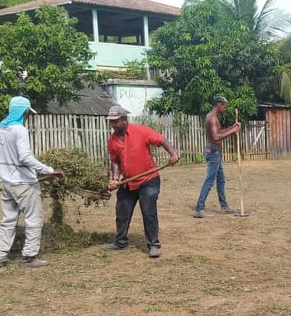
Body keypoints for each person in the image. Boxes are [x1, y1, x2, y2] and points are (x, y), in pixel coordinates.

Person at [0, 96, 63, 268]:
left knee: (8, 219)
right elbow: (25, 157)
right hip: (23, 183)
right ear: (24, 112)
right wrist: (50, 170)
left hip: (7, 182)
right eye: (28, 113)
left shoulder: (1, 127)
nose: (28, 116)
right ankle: (29, 257)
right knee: (34, 219)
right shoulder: (19, 129)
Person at [103, 105, 180, 257]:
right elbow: (115, 161)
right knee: (122, 212)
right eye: (111, 122)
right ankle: (121, 242)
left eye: (116, 121)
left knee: (148, 212)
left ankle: (154, 245)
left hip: (148, 180)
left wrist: (173, 153)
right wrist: (114, 178)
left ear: (124, 120)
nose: (113, 125)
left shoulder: (142, 131)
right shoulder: (112, 141)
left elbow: (161, 140)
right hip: (128, 182)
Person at [193, 96, 241, 218]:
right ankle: (199, 209)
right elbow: (215, 137)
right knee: (210, 180)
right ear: (219, 105)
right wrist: (232, 131)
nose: (225, 108)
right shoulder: (212, 118)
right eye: (224, 105)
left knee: (221, 180)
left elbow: (219, 132)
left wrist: (232, 127)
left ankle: (224, 207)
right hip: (213, 152)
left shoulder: (212, 116)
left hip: (215, 152)